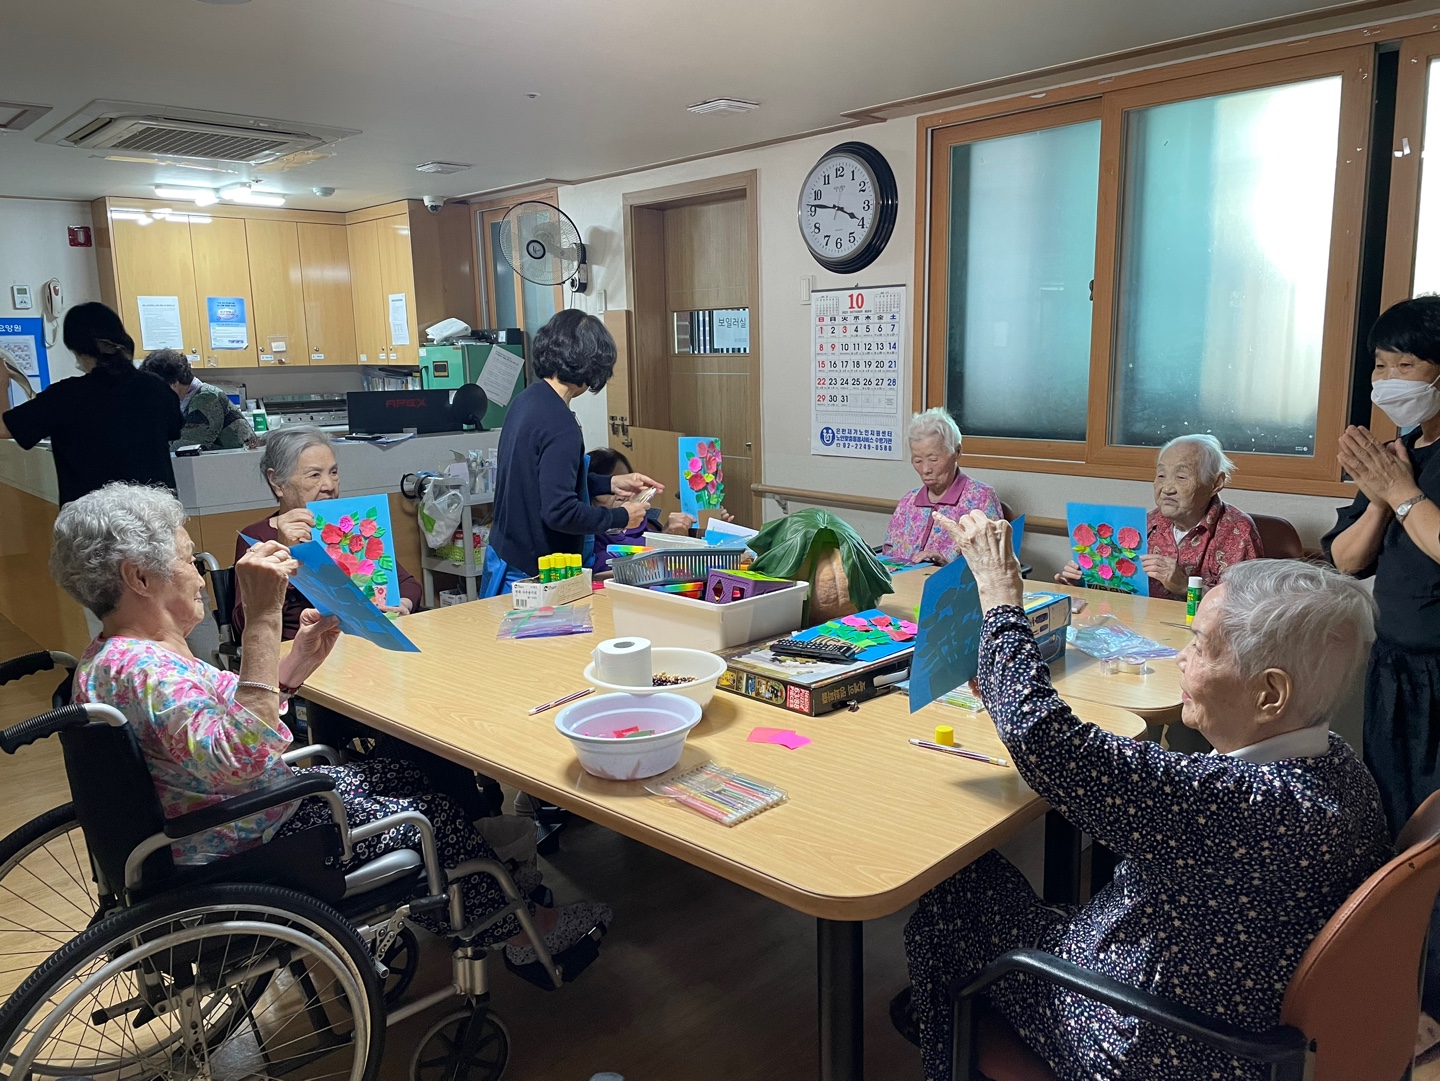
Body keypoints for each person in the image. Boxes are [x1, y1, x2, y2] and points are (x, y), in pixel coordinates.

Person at [894, 511, 1389, 1081]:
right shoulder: (1338, 765)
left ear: (1269, 694)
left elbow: (1045, 742)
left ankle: (948, 1051)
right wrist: (1008, 682)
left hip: (1152, 1039)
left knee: (946, 901)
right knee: (977, 882)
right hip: (1229, 996)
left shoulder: (1239, 805)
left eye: (1200, 646)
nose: (1182, 657)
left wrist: (1003, 598)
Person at [52, 482, 611, 970]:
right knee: (429, 813)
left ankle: (487, 885)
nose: (201, 576)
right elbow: (243, 755)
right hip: (246, 842)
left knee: (409, 769)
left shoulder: (120, 656)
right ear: (139, 577)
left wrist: (296, 662)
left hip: (231, 817)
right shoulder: (147, 672)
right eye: (187, 561)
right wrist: (264, 617)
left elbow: (229, 712)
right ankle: (521, 931)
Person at [1322, 295, 1440, 1016]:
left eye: (1404, 365)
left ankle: (1429, 1006)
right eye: (1380, 365)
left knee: (1435, 840)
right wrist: (1376, 498)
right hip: (1393, 671)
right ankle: (1391, 986)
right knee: (1392, 824)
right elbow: (1345, 560)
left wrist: (1401, 493)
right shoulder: (1399, 451)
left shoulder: (1411, 470)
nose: (1387, 380)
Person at [484, 309, 661, 596]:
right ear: (594, 365)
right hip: (535, 573)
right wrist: (621, 516)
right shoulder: (560, 424)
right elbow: (560, 511)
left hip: (506, 553)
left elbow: (542, 481)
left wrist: (610, 483)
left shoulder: (527, 400)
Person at [231, 425, 420, 638]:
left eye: (334, 472)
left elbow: (407, 584)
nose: (329, 485)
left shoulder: (348, 526)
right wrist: (285, 553)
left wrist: (402, 604)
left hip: (359, 642)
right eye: (314, 475)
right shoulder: (257, 538)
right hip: (298, 648)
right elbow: (243, 624)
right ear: (277, 482)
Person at [0, 302, 181, 505]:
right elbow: (173, 430)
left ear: (78, 350)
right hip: (155, 511)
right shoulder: (156, 387)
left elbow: (3, 428)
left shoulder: (65, 396)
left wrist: (1, 383)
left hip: (95, 516)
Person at [1056, 434, 1263, 599]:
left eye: (1181, 477)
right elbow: (1121, 593)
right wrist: (1084, 583)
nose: (1167, 488)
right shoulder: (1145, 525)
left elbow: (1245, 608)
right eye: (1161, 475)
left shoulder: (1238, 531)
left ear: (1216, 483)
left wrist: (1185, 587)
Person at [587, 446, 736, 575]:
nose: (621, 494)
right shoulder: (591, 538)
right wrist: (666, 540)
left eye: (625, 485)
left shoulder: (648, 524)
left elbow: (690, 564)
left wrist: (709, 531)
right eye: (608, 488)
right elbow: (613, 568)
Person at [883, 408, 1002, 565]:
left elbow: (993, 562)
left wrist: (945, 563)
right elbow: (888, 553)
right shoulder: (908, 502)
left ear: (957, 451)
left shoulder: (981, 499)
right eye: (918, 461)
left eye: (933, 459)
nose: (926, 469)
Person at [139, 348, 257, 451]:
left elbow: (186, 446)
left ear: (174, 383)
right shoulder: (188, 398)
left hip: (236, 463)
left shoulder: (206, 399)